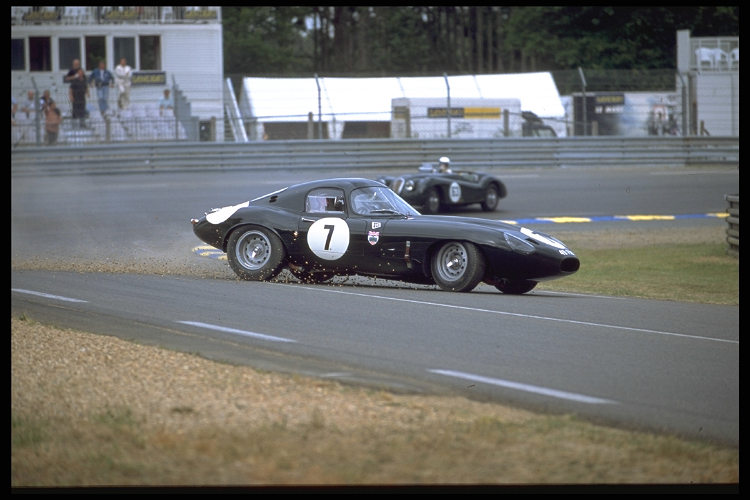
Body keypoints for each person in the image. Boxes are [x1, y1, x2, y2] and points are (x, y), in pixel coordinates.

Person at [65, 59, 89, 127]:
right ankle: (74, 124)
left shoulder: (83, 78)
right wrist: (71, 96)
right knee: (75, 109)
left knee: (82, 110)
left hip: (82, 96)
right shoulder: (72, 71)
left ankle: (82, 124)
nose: (76, 65)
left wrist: (87, 92)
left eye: (77, 64)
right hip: (75, 96)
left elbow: (86, 85)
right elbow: (67, 79)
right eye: (75, 64)